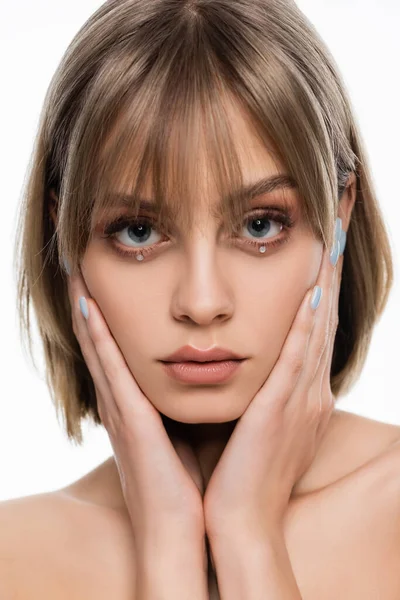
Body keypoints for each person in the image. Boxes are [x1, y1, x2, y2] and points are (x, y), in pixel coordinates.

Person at [1, 0, 399, 598]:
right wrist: (167, 543)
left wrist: (247, 534)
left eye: (261, 225)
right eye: (138, 231)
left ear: (338, 221)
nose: (203, 301)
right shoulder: (15, 555)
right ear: (65, 239)